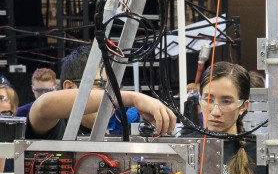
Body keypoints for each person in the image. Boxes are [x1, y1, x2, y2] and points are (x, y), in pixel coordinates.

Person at [26, 45, 174, 140]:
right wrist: (131, 97)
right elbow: (43, 105)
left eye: (115, 87)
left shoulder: (112, 132)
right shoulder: (55, 124)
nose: (113, 96)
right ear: (70, 87)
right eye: (101, 85)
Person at [192, 61, 269, 174]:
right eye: (208, 100)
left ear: (243, 106)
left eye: (226, 101)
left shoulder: (261, 151)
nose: (215, 111)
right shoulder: (185, 148)